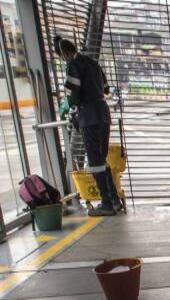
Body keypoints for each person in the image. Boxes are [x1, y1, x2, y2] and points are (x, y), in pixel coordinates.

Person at [55, 36, 120, 217]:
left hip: (89, 117)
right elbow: (106, 89)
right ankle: (114, 200)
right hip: (103, 114)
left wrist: (72, 109)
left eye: (62, 57)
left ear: (65, 53)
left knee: (95, 161)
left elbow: (73, 93)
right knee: (102, 158)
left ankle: (107, 203)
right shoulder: (93, 63)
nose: (63, 60)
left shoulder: (74, 65)